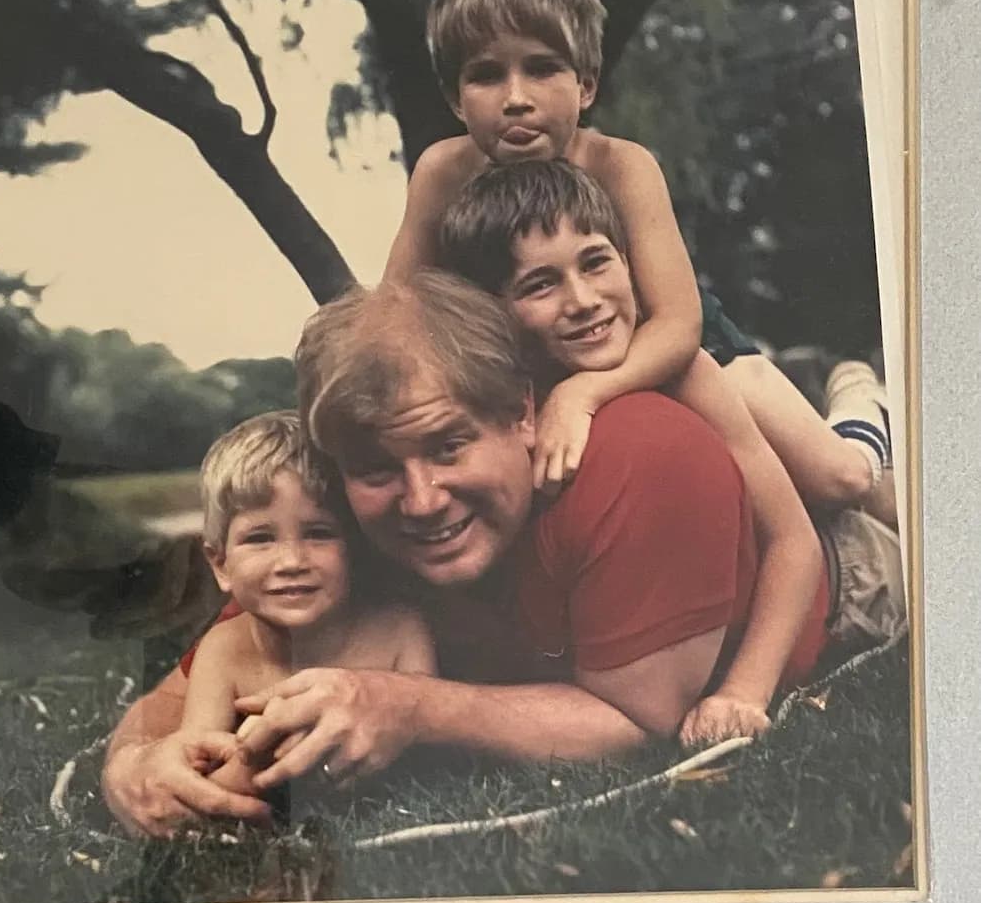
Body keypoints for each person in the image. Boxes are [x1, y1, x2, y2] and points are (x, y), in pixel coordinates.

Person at [102, 273, 906, 835]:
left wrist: (404, 704)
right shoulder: (349, 517)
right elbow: (195, 681)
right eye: (379, 468)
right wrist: (135, 765)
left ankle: (863, 401)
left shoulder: (640, 458)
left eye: (450, 445)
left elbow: (639, 719)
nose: (421, 501)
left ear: (524, 413)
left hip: (850, 572)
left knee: (890, 488)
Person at [384, 0, 892, 512]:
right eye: (486, 75)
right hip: (549, 338)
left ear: (586, 85)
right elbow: (397, 312)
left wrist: (583, 393)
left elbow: (679, 323)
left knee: (837, 481)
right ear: (455, 98)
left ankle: (860, 403)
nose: (516, 98)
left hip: (665, 332)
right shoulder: (441, 172)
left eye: (542, 67)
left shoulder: (621, 165)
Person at [434, 157, 823, 743]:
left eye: (596, 263)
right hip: (693, 591)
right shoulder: (500, 404)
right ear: (489, 311)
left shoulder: (685, 374)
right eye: (540, 284)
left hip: (836, 584)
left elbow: (796, 542)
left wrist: (744, 690)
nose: (584, 299)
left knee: (855, 476)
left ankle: (856, 397)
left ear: (628, 262)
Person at [180, 412, 435, 796]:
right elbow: (196, 769)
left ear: (355, 550)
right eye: (260, 538)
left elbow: (427, 753)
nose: (292, 562)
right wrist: (251, 757)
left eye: (319, 533)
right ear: (220, 564)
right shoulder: (223, 650)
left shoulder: (400, 630)